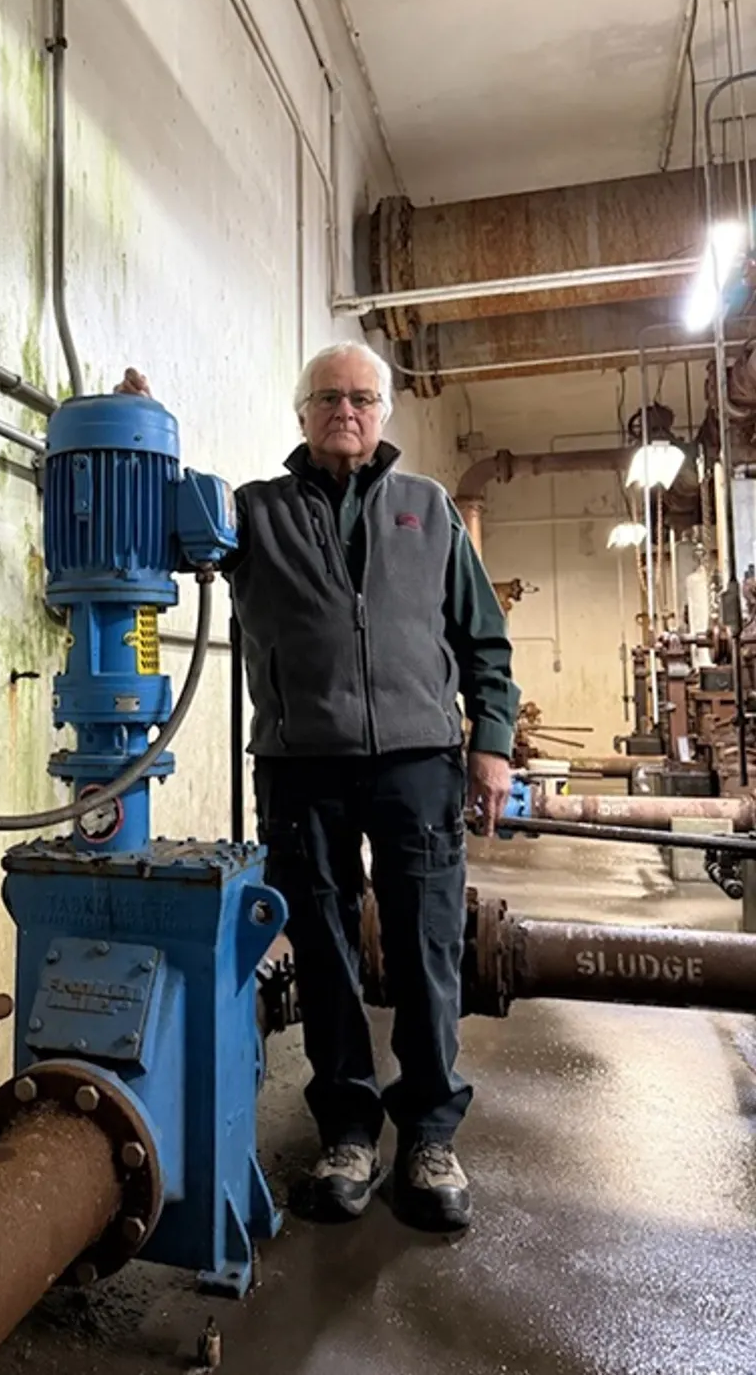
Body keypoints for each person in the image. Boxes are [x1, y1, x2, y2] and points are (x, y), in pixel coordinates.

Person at [116, 344, 519, 1231]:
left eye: (363, 398)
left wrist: (491, 743)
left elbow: (484, 640)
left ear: (384, 416)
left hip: (418, 760)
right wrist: (148, 443)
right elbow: (180, 528)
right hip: (302, 765)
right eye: (330, 397)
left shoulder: (431, 510)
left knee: (427, 946)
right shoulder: (258, 514)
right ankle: (346, 1130)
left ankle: (429, 1136)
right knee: (327, 953)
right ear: (302, 415)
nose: (347, 410)